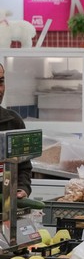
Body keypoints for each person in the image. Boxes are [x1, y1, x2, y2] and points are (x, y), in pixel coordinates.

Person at [0, 64, 32, 199]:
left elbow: (24, 166)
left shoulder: (13, 121)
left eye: (1, 82)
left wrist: (23, 188)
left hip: (6, 209)